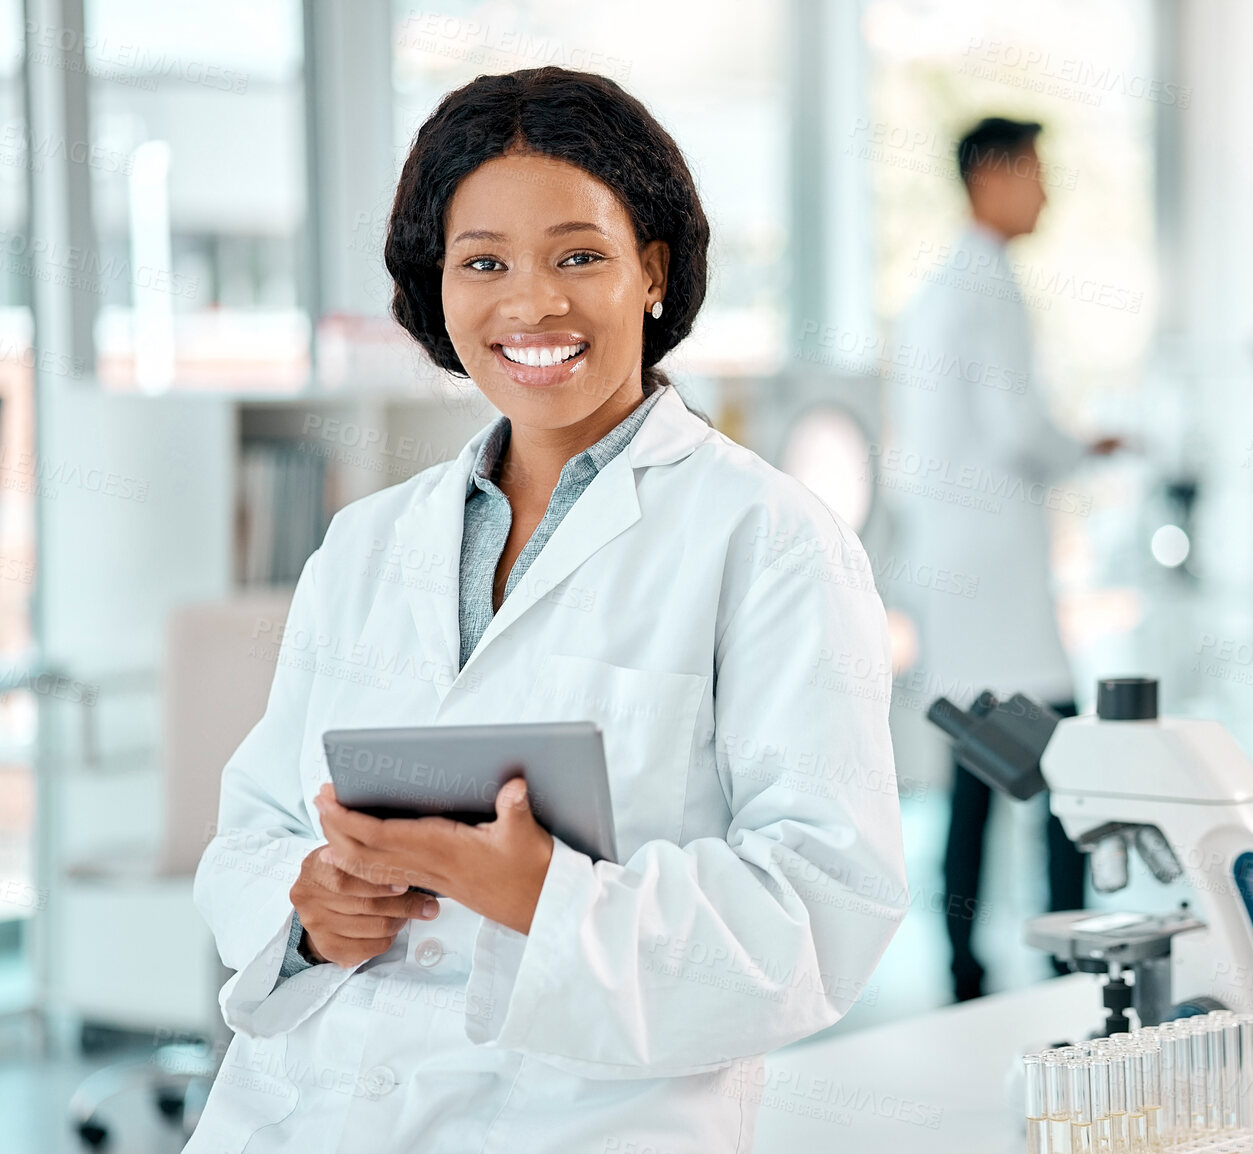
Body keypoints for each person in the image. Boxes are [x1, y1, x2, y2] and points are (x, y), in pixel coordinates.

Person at [190, 68, 906, 1152]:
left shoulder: (769, 540)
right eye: (484, 263)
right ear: (437, 288)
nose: (532, 304)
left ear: (653, 271)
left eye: (579, 255)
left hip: (582, 1119)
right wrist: (308, 911)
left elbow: (825, 903)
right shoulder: (367, 542)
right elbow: (251, 826)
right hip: (302, 1110)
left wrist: (550, 899)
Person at [885, 117, 1120, 1002]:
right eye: (1037, 172)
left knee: (976, 779)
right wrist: (1090, 446)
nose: (1047, 193)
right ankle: (1068, 958)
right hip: (997, 585)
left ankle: (963, 964)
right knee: (1061, 770)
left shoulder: (940, 287)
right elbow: (1020, 429)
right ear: (995, 175)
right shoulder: (988, 291)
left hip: (958, 574)